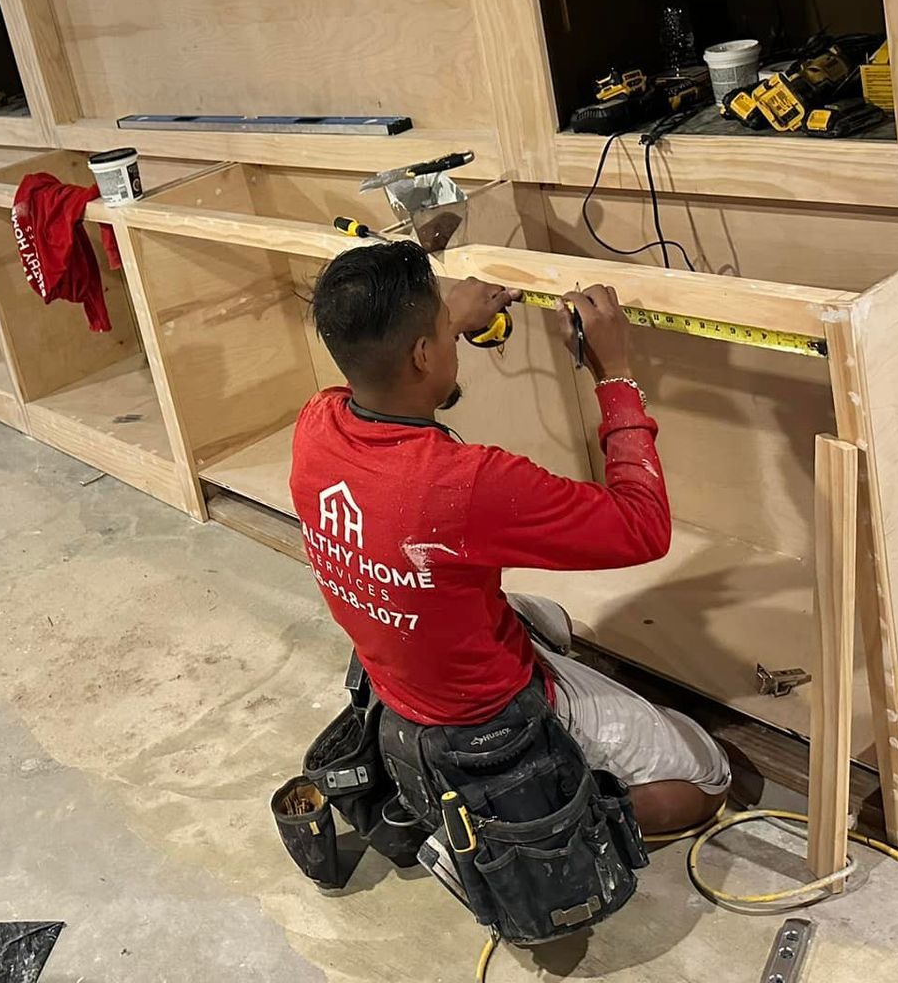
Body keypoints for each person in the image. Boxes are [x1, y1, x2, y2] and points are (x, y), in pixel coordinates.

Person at [291, 240, 729, 833]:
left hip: (404, 678)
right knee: (705, 777)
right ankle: (551, 815)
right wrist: (617, 374)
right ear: (422, 354)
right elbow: (642, 529)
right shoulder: (463, 484)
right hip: (487, 718)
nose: (454, 328)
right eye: (444, 327)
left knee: (549, 617)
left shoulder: (318, 421)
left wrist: (447, 324)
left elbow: (396, 385)